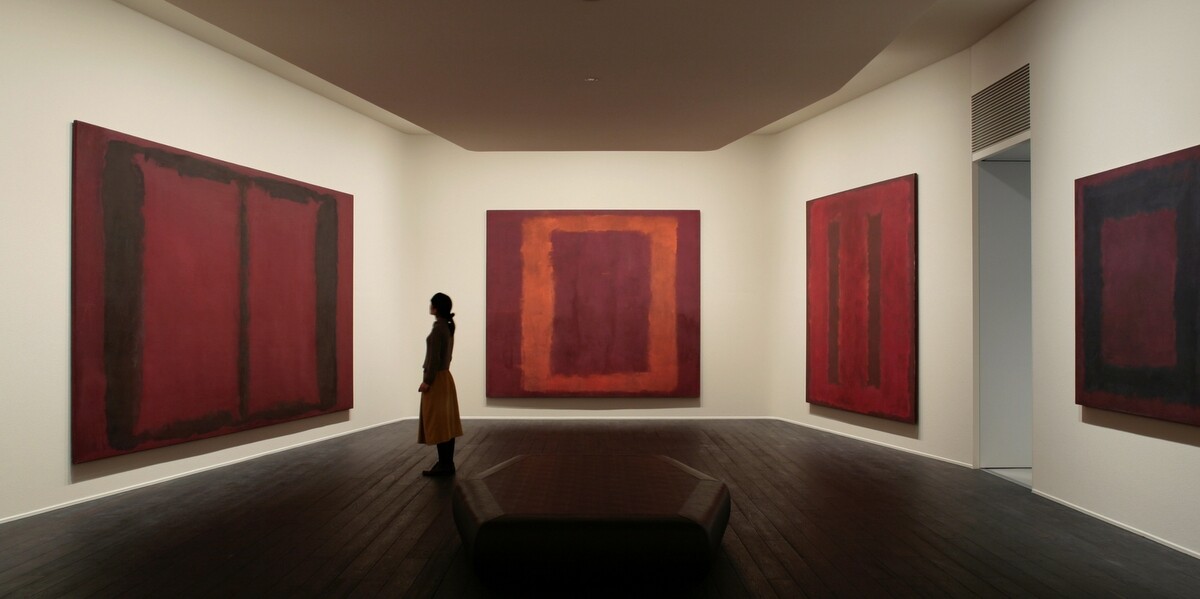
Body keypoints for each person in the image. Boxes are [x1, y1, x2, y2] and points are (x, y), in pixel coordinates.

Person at [418, 292, 463, 476]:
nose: (430, 306)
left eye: (432, 304)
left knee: (438, 422)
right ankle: (446, 463)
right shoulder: (447, 327)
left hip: (436, 380)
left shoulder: (439, 329)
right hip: (445, 378)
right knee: (446, 423)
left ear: (436, 308)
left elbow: (433, 359)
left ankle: (444, 464)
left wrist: (427, 381)